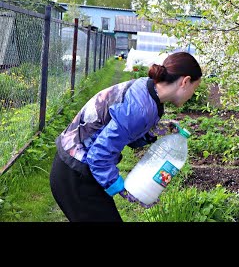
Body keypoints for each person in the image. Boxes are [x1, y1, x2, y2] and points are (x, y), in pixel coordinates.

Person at [49, 52, 202, 222]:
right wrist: (123, 189)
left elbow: (125, 131)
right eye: (194, 89)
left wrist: (158, 131)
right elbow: (99, 156)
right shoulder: (141, 107)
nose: (192, 95)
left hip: (77, 168)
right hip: (75, 175)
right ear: (185, 81)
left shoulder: (148, 92)